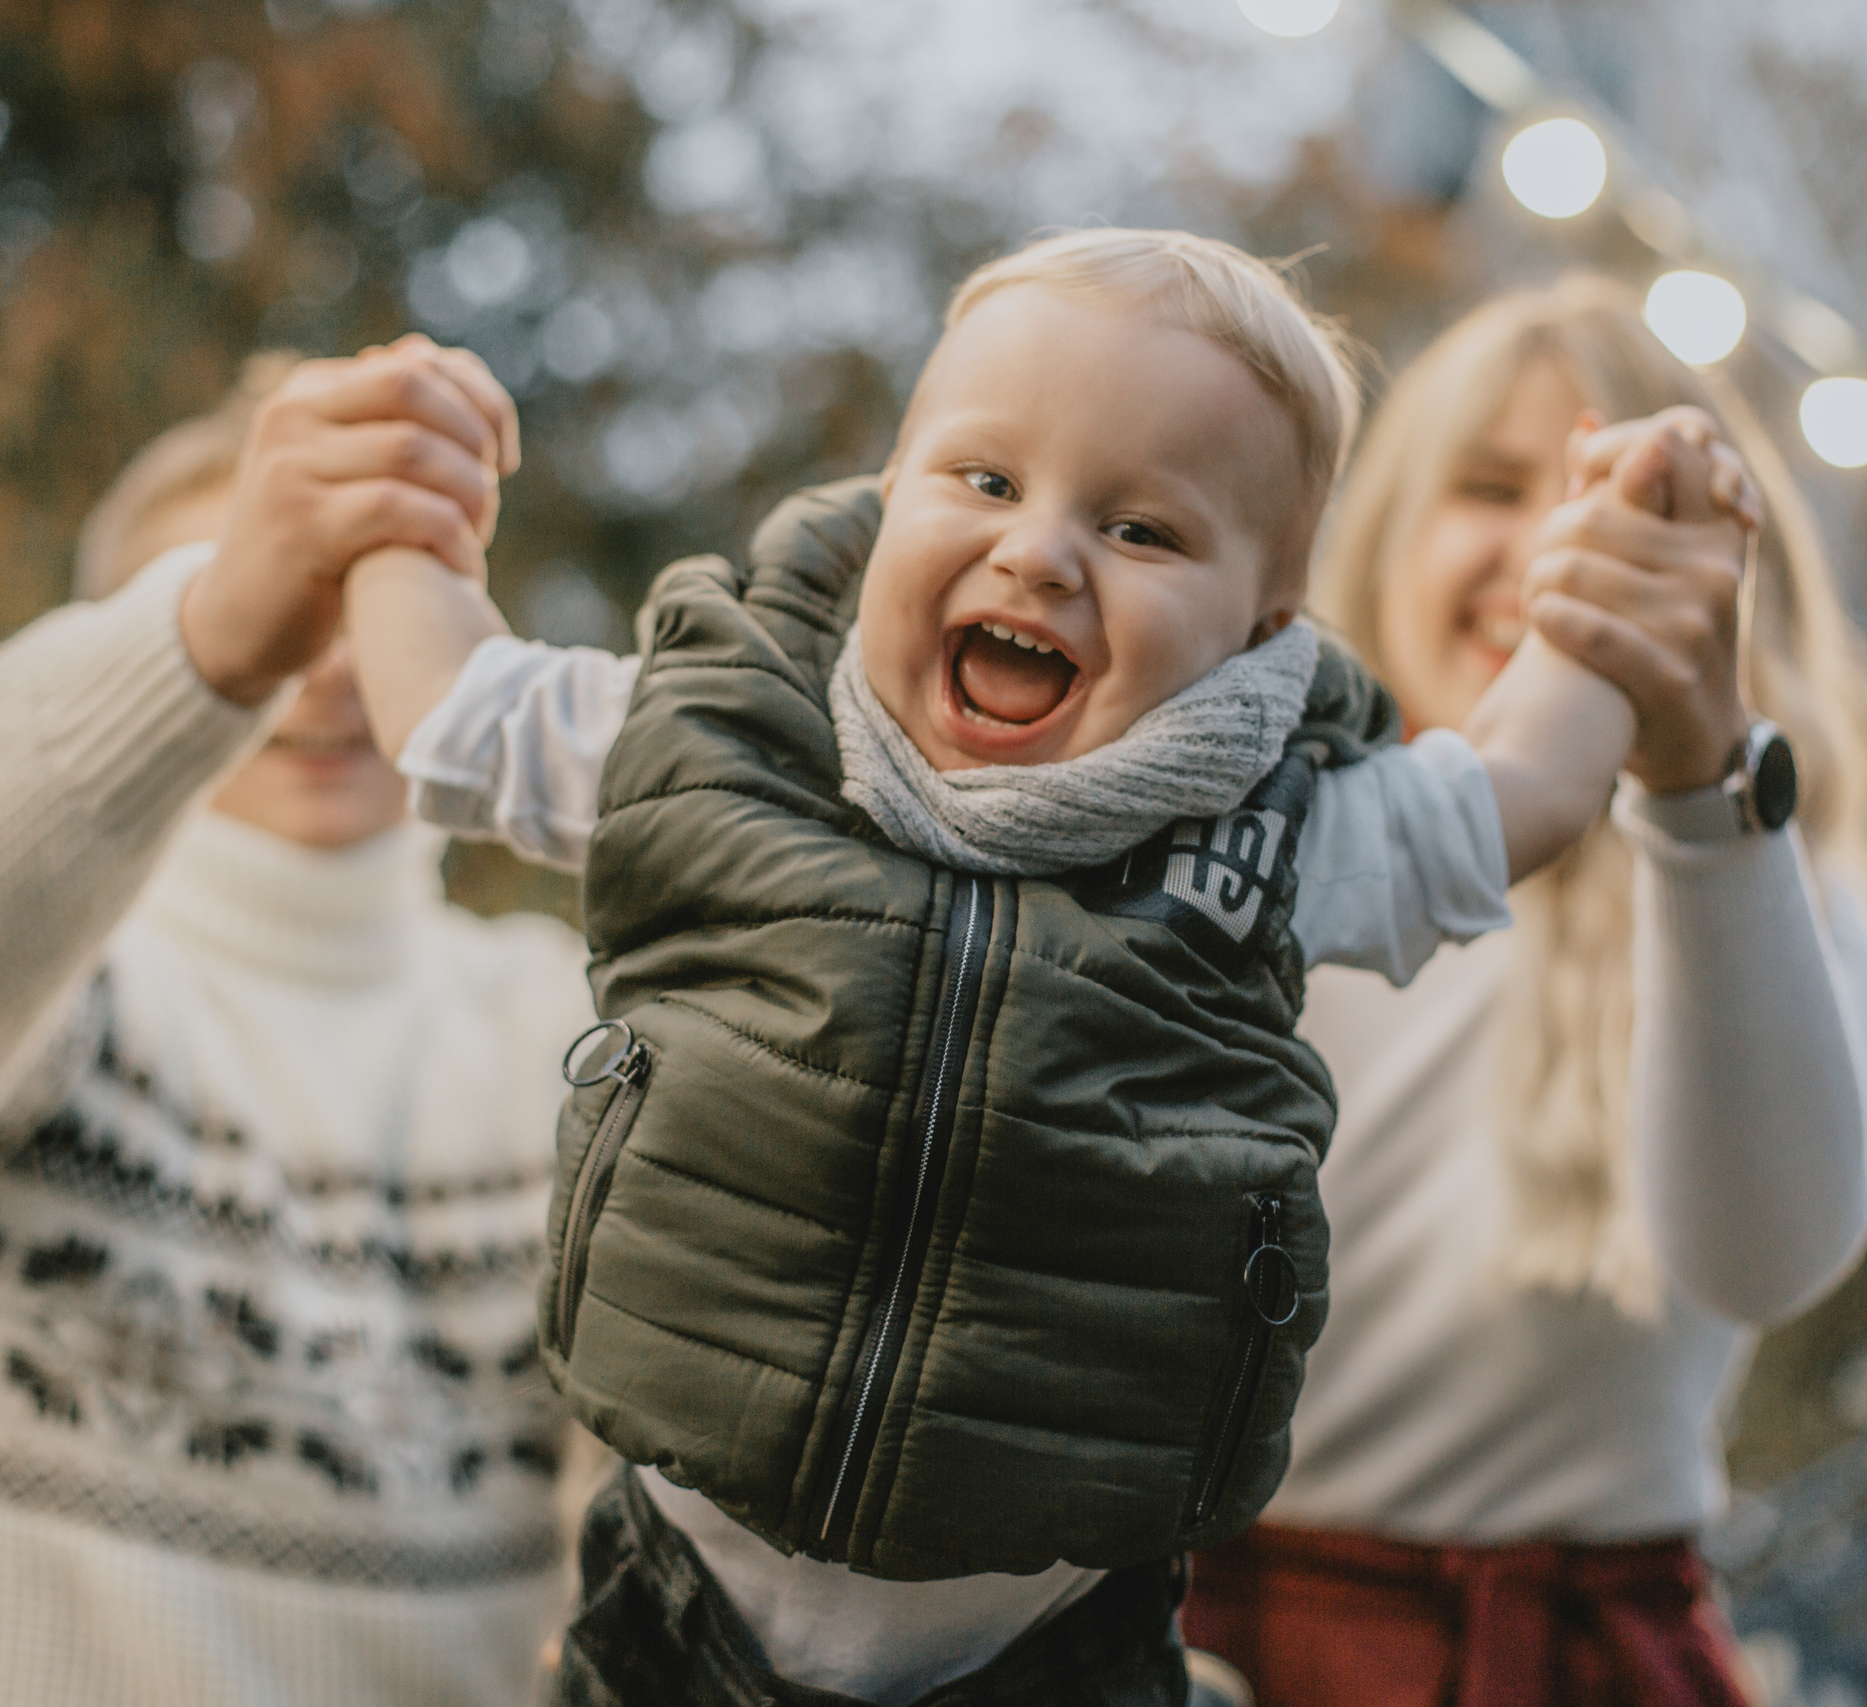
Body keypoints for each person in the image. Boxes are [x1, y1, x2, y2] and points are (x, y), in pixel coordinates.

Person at [337, 230, 1754, 1707]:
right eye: (987, 481)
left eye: (1145, 532)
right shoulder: (721, 740)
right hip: (685, 1599)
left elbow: (1523, 789)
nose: (1042, 551)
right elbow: (453, 711)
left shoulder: (1271, 834)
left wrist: (1616, 579)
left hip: (1054, 1639)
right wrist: (394, 504)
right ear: (890, 499)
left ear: (1261, 627)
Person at [0, 341, 600, 1706]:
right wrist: (213, 635)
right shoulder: (47, 1004)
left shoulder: (562, 1025)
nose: (313, 669)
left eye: (351, 604)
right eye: (265, 604)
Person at [1178, 274, 1867, 1705]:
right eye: (1492, 488)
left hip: (1573, 1657)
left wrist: (1703, 799)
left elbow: (1768, 1253)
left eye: (1618, 512)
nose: (1548, 557)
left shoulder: (1763, 887)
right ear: (1378, 534)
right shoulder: (1248, 860)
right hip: (1208, 1640)